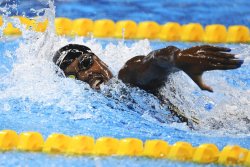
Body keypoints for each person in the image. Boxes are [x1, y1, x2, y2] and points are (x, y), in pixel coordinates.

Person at [53, 44, 244, 125]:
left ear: (98, 59)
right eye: (72, 77)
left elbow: (152, 61)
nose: (85, 74)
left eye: (86, 63)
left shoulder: (127, 78)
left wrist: (179, 58)